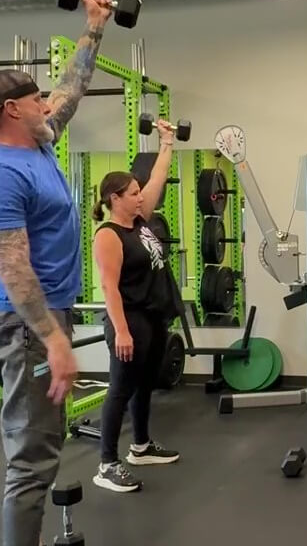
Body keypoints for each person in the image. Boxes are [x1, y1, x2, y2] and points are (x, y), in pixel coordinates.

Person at [0, 0, 114, 546]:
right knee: (31, 461)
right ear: (12, 110)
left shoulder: (41, 142)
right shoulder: (1, 172)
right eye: (36, 101)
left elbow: (70, 90)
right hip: (25, 327)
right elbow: (12, 268)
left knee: (42, 450)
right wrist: (53, 340)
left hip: (46, 320)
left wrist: (95, 24)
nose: (47, 105)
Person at [89, 126, 181, 493]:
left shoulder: (140, 223)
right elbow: (109, 287)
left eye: (140, 193)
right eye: (133, 193)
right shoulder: (109, 235)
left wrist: (167, 144)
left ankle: (140, 446)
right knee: (120, 390)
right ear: (115, 198)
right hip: (130, 320)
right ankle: (107, 464)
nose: (141, 197)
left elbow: (157, 178)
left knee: (145, 384)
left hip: (153, 315)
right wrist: (122, 331)